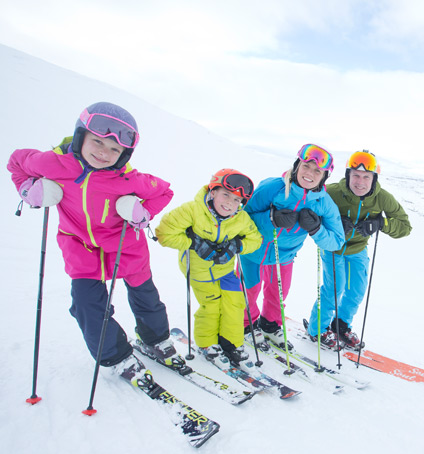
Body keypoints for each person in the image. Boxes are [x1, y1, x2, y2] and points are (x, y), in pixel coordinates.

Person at [7, 101, 179, 385]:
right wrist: (29, 190)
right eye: (97, 141)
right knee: (87, 303)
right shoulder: (51, 163)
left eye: (115, 149)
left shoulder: (128, 178)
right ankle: (115, 355)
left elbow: (164, 191)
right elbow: (16, 162)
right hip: (79, 244)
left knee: (145, 296)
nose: (104, 153)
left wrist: (142, 213)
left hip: (126, 244)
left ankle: (155, 339)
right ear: (80, 136)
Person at [241, 143, 345, 350]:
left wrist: (316, 229)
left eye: (318, 171)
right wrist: (270, 218)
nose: (310, 173)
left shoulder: (324, 203)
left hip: (284, 257)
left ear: (324, 177)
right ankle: (246, 325)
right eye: (306, 166)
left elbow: (336, 241)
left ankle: (270, 325)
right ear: (297, 165)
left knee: (278, 295)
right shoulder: (273, 187)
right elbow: (242, 217)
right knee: (248, 291)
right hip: (252, 252)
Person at [154, 169, 262, 366]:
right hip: (199, 272)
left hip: (226, 271)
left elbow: (256, 240)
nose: (230, 203)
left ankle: (231, 343)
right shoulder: (192, 211)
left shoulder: (241, 218)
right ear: (212, 192)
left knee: (235, 304)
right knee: (211, 306)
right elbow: (164, 233)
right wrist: (193, 243)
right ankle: (207, 343)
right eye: (226, 195)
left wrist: (237, 246)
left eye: (237, 200)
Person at [306, 150, 412, 350]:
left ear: (374, 179)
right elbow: (309, 210)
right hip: (333, 248)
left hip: (358, 249)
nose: (360, 182)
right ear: (348, 175)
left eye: (366, 176)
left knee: (356, 290)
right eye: (355, 175)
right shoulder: (333, 192)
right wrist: (332, 222)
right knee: (334, 289)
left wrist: (381, 223)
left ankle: (341, 326)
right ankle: (316, 330)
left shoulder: (382, 198)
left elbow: (405, 227)